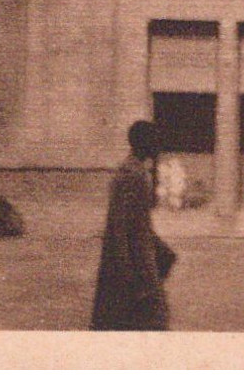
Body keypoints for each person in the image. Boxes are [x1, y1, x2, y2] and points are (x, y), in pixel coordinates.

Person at [91, 120, 177, 330]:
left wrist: (162, 250)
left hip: (139, 257)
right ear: (144, 144)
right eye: (154, 141)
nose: (158, 146)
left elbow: (139, 222)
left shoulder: (134, 172)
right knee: (147, 319)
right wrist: (127, 269)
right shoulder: (133, 176)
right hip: (134, 262)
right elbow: (121, 227)